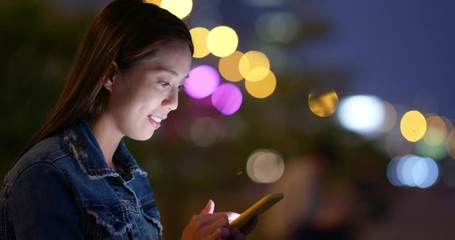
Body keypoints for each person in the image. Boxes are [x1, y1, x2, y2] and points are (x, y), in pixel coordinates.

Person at [0, 0, 257, 239]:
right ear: (110, 74)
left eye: (178, 87)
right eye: (163, 82)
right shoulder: (46, 175)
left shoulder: (133, 178)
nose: (173, 103)